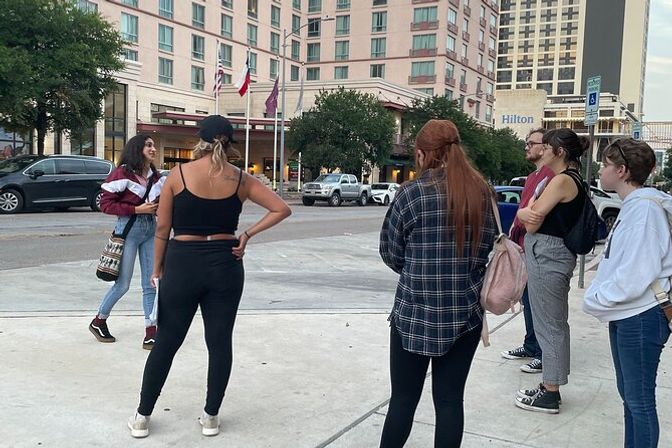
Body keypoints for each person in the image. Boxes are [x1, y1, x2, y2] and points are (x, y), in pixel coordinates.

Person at [128, 115, 291, 438]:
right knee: (219, 342)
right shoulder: (241, 179)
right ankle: (211, 416)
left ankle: (143, 416)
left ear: (200, 141)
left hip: (183, 263)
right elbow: (281, 208)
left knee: (167, 341)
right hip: (225, 263)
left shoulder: (178, 175)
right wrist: (246, 235)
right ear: (229, 143)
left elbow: (162, 228)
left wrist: (157, 268)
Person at [379, 119, 497, 447]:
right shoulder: (482, 193)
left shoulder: (411, 194)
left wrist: (417, 269)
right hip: (465, 315)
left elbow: (390, 252)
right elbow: (488, 247)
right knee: (449, 401)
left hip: (414, 314)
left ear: (421, 154)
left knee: (403, 399)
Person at [584, 139, 672, 447]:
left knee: (639, 400)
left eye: (606, 164)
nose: (601, 169)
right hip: (630, 313)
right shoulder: (635, 207)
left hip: (642, 314)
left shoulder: (644, 211)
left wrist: (595, 299)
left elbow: (637, 272)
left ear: (621, 171)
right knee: (630, 397)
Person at [514, 128, 589, 414]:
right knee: (551, 322)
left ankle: (550, 391)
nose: (541, 150)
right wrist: (529, 210)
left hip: (548, 254)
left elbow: (530, 222)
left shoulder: (560, 181)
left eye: (547, 147)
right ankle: (550, 384)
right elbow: (532, 214)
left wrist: (526, 211)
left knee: (550, 324)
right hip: (549, 253)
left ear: (559, 152)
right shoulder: (567, 180)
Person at [90, 135, 164, 349]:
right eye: (148, 145)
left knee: (151, 282)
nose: (153, 148)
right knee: (122, 284)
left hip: (150, 230)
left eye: (153, 145)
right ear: (137, 148)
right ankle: (99, 321)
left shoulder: (155, 176)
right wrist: (136, 209)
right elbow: (105, 205)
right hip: (128, 232)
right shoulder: (122, 174)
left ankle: (151, 331)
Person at [501, 128, 555, 374]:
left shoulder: (551, 176)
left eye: (530, 143)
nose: (526, 147)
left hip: (538, 248)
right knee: (528, 301)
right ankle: (531, 345)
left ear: (545, 147)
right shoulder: (533, 176)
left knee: (540, 304)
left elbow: (534, 212)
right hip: (523, 246)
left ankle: (544, 354)